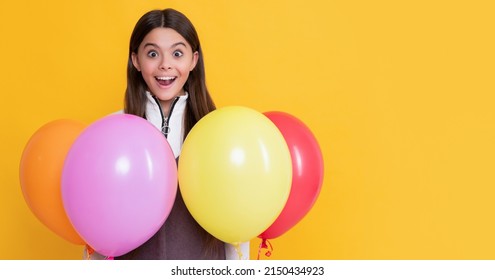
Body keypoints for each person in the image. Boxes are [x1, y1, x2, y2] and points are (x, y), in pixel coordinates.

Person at [85, 8, 249, 260]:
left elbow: (237, 227)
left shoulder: (219, 134)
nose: (165, 64)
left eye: (177, 53)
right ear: (136, 60)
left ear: (193, 60)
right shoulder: (109, 134)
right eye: (152, 53)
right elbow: (96, 228)